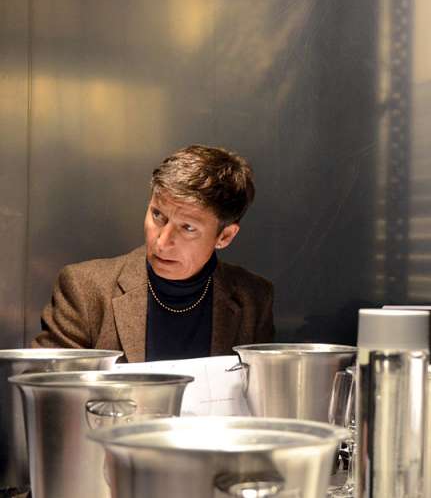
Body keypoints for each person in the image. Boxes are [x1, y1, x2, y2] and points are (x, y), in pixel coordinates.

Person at [33, 145, 274, 362]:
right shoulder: (85, 289)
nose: (162, 242)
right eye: (158, 215)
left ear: (225, 236)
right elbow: (45, 385)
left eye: (188, 228)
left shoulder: (253, 300)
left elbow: (260, 392)